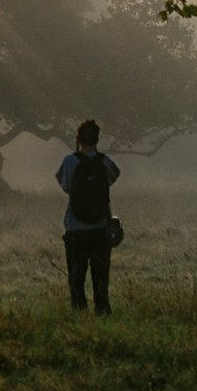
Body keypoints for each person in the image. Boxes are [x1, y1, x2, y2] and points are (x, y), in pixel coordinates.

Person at [55, 118, 120, 314]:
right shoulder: (105, 162)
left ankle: (79, 314)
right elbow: (113, 177)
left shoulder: (69, 162)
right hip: (100, 228)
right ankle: (102, 312)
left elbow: (66, 186)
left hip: (75, 229)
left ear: (78, 139)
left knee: (77, 278)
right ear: (97, 140)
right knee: (101, 278)